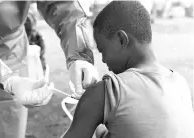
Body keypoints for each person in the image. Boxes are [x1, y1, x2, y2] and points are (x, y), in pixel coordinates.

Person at [0, 1, 99, 138]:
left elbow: (64, 5)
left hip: (13, 52)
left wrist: (79, 54)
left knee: (7, 123)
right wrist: (7, 79)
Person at [62, 1, 194, 138]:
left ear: (121, 39)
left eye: (102, 50)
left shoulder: (108, 90)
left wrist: (89, 102)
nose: (103, 60)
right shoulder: (180, 83)